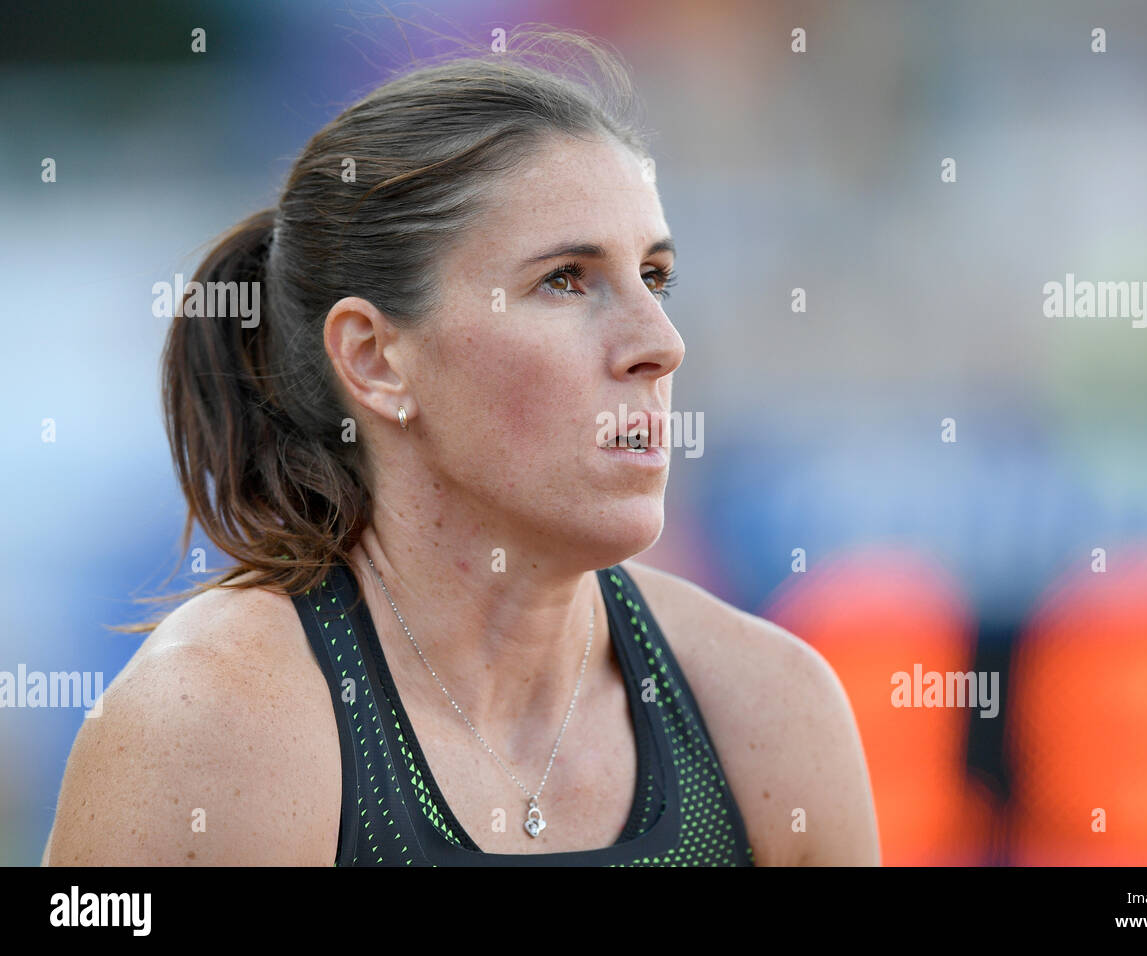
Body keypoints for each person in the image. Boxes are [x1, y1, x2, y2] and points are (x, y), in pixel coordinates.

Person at [41, 31, 879, 866]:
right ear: (375, 359)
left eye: (654, 278)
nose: (661, 343)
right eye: (565, 280)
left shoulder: (770, 709)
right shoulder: (216, 724)